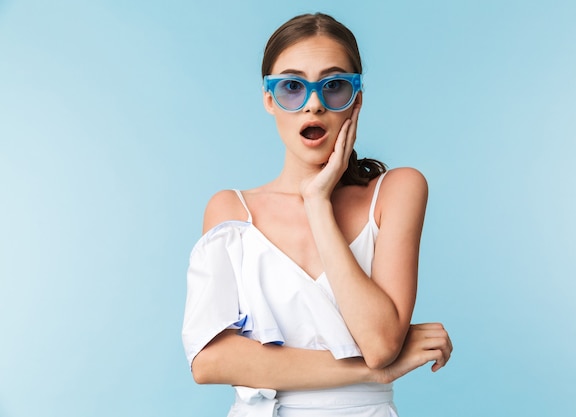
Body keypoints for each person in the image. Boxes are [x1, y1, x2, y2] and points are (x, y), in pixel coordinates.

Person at [182, 12, 453, 417]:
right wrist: (368, 371)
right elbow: (209, 362)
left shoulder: (396, 190)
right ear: (269, 100)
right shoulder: (230, 211)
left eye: (334, 86)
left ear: (356, 99)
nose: (313, 104)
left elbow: (379, 344)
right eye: (292, 87)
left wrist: (317, 202)